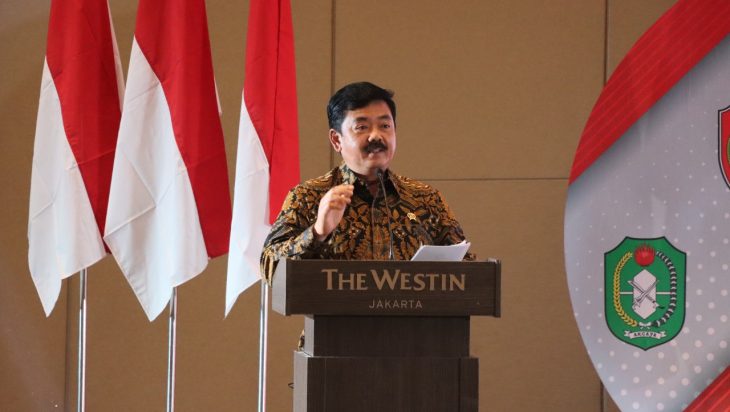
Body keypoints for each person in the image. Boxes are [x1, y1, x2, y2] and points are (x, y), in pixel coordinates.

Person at [260, 81, 473, 282]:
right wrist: (317, 233)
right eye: (362, 127)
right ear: (336, 139)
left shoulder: (425, 199)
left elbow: (468, 269)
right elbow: (269, 267)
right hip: (335, 311)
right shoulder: (309, 196)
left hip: (413, 312)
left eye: (385, 126)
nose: (376, 136)